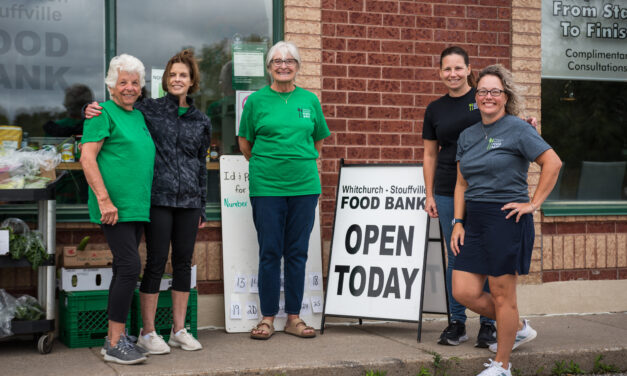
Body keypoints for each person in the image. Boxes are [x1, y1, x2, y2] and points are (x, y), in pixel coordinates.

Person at [85, 49, 210, 354]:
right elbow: (112, 110)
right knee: (148, 264)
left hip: (182, 201)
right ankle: (143, 333)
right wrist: (87, 107)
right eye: (173, 74)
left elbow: (201, 164)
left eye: (183, 74)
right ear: (165, 80)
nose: (177, 79)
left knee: (180, 263)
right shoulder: (148, 109)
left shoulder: (200, 120)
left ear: (192, 81)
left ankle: (178, 330)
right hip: (153, 199)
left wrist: (203, 203)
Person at [450, 64, 562, 376]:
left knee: (503, 294)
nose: (488, 96)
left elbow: (552, 163)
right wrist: (457, 222)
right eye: (483, 91)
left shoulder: (519, 128)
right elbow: (461, 184)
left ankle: (502, 365)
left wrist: (534, 204)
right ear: (476, 95)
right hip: (474, 220)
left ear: (505, 96)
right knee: (463, 291)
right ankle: (518, 326)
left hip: (506, 217)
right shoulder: (468, 135)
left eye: (495, 91)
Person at [238, 41, 330, 340]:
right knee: (270, 251)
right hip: (267, 186)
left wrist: (297, 161)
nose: (283, 65)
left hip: (304, 186)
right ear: (268, 68)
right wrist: (271, 165)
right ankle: (266, 318)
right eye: (277, 61)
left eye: (290, 60)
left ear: (298, 66)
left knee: (297, 252)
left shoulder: (310, 100)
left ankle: (293, 317)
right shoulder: (255, 102)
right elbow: (245, 145)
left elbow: (317, 142)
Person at [81, 54, 155, 365]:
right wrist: (104, 200)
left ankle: (116, 336)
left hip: (136, 208)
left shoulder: (138, 116)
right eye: (123, 81)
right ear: (111, 85)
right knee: (128, 268)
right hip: (114, 208)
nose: (129, 87)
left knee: (122, 270)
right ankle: (114, 343)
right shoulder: (101, 113)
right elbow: (87, 158)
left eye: (135, 82)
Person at [422, 46, 497, 348]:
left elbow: (505, 124)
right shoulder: (435, 109)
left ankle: (489, 324)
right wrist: (428, 193)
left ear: (468, 69)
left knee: (487, 252)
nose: (452, 74)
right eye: (446, 69)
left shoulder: (482, 99)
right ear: (440, 73)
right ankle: (457, 322)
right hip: (445, 189)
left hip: (483, 189)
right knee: (456, 255)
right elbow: (429, 153)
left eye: (458, 68)